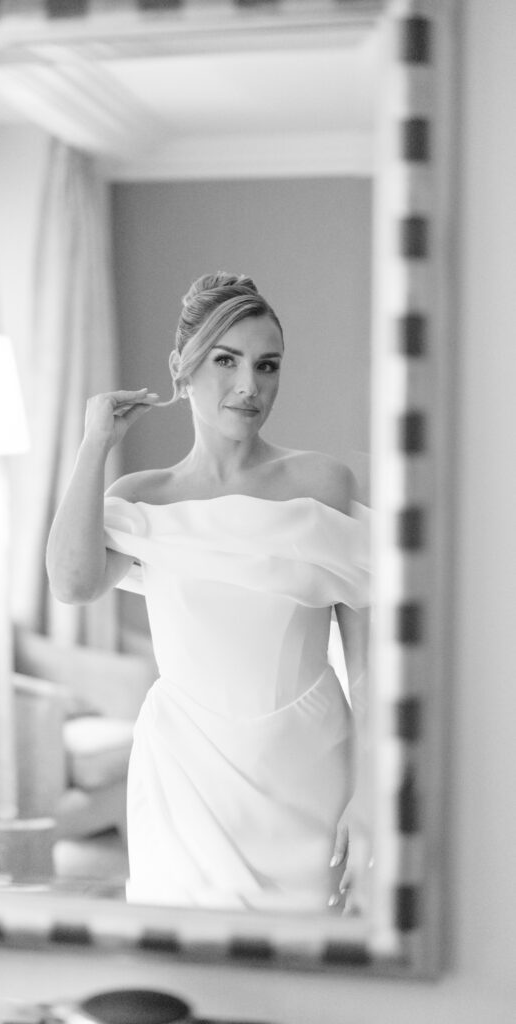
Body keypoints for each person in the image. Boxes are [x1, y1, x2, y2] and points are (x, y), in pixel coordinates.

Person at [46, 272, 370, 912]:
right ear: (181, 369)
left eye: (267, 365)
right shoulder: (144, 498)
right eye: (227, 360)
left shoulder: (320, 485)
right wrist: (94, 446)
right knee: (189, 976)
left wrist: (376, 792)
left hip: (310, 772)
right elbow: (72, 582)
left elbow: (368, 661)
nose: (250, 386)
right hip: (185, 773)